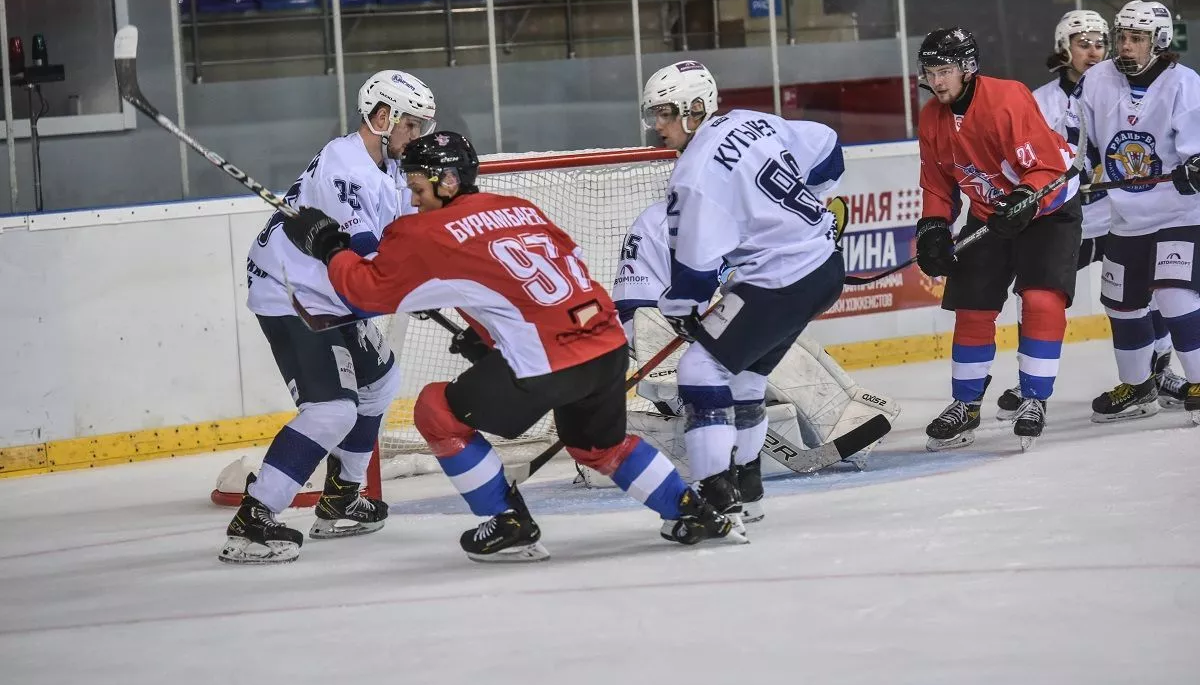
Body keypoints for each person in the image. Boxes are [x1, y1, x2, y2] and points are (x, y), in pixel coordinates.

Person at [281, 131, 740, 562]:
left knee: (436, 411)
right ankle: (692, 511)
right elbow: (545, 282)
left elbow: (365, 292)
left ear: (448, 181)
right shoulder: (518, 208)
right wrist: (492, 339)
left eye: (418, 188)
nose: (414, 199)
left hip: (549, 359)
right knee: (600, 446)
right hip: (606, 346)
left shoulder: (425, 231)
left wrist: (330, 246)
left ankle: (507, 522)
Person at [220, 70, 437, 564]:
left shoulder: (390, 165)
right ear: (383, 117)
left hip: (333, 291)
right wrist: (412, 288)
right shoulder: (345, 167)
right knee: (332, 410)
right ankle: (254, 519)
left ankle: (340, 499)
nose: (417, 135)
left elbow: (404, 239)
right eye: (411, 125)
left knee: (380, 383)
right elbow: (364, 255)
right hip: (293, 293)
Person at [640, 60, 848, 526]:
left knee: (699, 367)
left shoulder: (693, 174)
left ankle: (716, 496)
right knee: (745, 377)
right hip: (823, 267)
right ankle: (748, 488)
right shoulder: (751, 121)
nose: (657, 125)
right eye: (654, 114)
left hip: (781, 280)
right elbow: (828, 149)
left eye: (666, 113)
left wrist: (681, 309)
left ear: (695, 109)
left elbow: (695, 272)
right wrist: (812, 208)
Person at [611, 197, 896, 522]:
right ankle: (726, 473)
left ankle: (844, 413)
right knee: (733, 371)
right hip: (655, 329)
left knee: (778, 345)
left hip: (679, 319)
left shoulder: (718, 211)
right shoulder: (684, 219)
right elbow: (660, 305)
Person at [993, 10, 1187, 420]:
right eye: (1084, 44)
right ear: (1063, 48)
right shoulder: (1043, 100)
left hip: (1115, 217)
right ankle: (1030, 378)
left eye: (1101, 43)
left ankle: (1159, 371)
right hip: (1068, 220)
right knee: (1039, 293)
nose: (1095, 51)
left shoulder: (1132, 87)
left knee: (1154, 292)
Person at [914, 27, 1082, 450]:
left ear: (968, 68)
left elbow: (1046, 167)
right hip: (991, 213)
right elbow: (937, 183)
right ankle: (966, 404)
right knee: (972, 305)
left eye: (945, 71)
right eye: (931, 72)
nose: (937, 81)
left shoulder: (1006, 98)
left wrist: (1026, 198)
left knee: (1040, 299)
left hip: (1048, 207)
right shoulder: (932, 116)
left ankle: (1034, 398)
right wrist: (933, 227)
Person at [1079, 0, 1200, 425]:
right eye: (1123, 37)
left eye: (1137, 38)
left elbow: (1197, 150)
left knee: (1173, 293)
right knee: (1121, 303)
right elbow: (1080, 140)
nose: (1126, 46)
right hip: (1126, 217)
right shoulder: (1097, 79)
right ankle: (1138, 387)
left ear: (1159, 41)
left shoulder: (1184, 83)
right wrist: (1073, 170)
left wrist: (1194, 166)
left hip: (1179, 214)